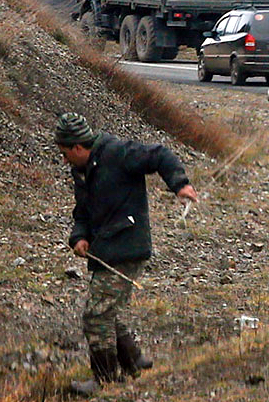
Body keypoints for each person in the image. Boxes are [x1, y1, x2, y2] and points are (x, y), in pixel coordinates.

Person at [54, 112, 199, 395]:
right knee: (109, 310)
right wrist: (79, 236)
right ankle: (135, 360)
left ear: (77, 148)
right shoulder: (80, 170)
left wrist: (179, 184)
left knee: (96, 315)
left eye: (64, 154)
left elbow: (160, 155)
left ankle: (105, 379)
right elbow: (82, 211)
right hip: (104, 249)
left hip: (128, 246)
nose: (64, 160)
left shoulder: (118, 152)